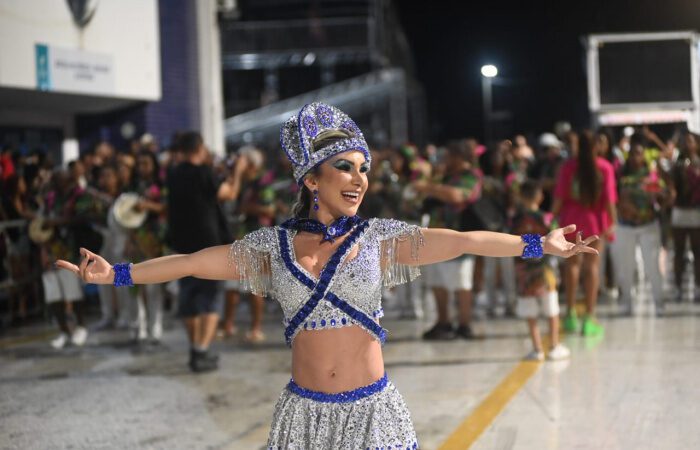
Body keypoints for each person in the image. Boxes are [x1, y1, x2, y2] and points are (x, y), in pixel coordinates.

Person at [57, 103, 597, 449]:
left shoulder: (380, 239)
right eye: (346, 167)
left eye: (364, 168)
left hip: (373, 417)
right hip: (303, 421)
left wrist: (538, 244)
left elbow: (463, 241)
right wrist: (116, 274)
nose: (359, 179)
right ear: (312, 179)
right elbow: (194, 261)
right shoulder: (270, 248)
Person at [165, 131, 241, 372]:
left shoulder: (173, 174)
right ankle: (201, 351)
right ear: (199, 148)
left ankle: (194, 349)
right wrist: (238, 171)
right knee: (210, 299)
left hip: (182, 243)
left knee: (188, 298)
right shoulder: (203, 173)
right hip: (209, 244)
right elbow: (229, 193)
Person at [414, 140, 483, 340]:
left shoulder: (471, 176)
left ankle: (464, 323)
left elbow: (457, 196)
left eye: (450, 156)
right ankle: (443, 322)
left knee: (462, 282)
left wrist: (429, 187)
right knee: (437, 280)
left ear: (459, 158)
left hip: (460, 236)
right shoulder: (445, 176)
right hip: (436, 235)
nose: (446, 160)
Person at [552, 130, 616, 337]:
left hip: (570, 221)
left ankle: (570, 314)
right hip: (595, 222)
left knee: (571, 266)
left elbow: (559, 198)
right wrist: (612, 223)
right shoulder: (605, 167)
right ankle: (589, 318)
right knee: (592, 268)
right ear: (596, 146)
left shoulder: (568, 167)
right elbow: (609, 201)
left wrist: (549, 218)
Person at [511, 180, 570, 361]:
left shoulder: (514, 219)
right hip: (545, 269)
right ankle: (554, 345)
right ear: (540, 196)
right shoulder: (547, 218)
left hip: (523, 270)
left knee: (530, 310)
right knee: (552, 309)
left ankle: (537, 348)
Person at [669, 132, 700, 302]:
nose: (688, 144)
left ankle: (698, 286)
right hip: (680, 210)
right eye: (685, 141)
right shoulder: (678, 164)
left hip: (696, 212)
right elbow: (672, 185)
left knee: (698, 252)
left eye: (691, 141)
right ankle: (678, 287)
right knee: (679, 251)